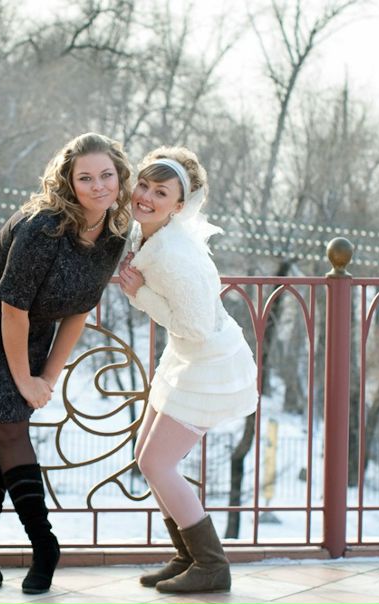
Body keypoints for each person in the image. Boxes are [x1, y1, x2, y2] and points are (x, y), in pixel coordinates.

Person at [0, 132, 131, 594]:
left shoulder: (114, 235)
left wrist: (48, 375)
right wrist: (25, 380)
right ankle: (44, 545)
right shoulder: (43, 227)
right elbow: (12, 309)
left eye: (106, 175)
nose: (98, 186)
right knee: (10, 425)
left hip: (31, 327)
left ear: (120, 177)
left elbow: (79, 311)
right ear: (69, 181)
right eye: (85, 177)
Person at [118, 146, 258, 593]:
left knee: (157, 463)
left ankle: (211, 564)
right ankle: (186, 557)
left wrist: (139, 295)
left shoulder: (174, 253)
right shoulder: (149, 233)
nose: (146, 197)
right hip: (184, 357)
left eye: (160, 192)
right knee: (147, 456)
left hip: (208, 363)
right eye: (143, 185)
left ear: (179, 205)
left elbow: (196, 327)